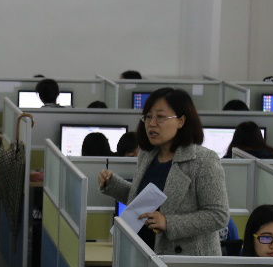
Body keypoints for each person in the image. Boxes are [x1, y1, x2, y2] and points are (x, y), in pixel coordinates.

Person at [96, 87, 229, 255]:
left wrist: (169, 222)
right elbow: (145, 200)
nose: (151, 123)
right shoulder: (147, 155)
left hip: (186, 259)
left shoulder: (203, 160)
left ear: (181, 121)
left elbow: (218, 215)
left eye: (160, 117)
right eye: (148, 117)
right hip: (143, 251)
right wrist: (112, 184)